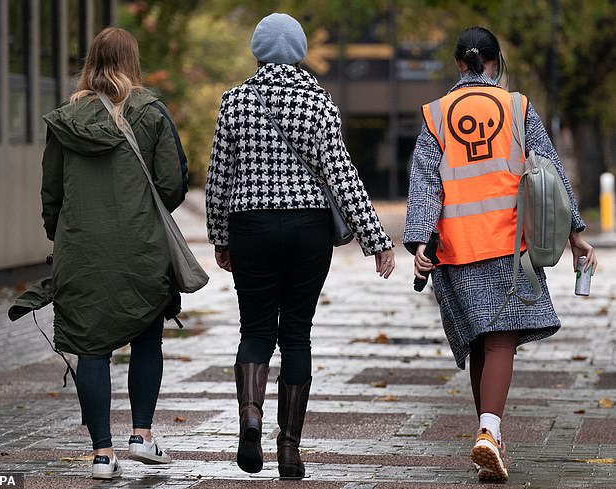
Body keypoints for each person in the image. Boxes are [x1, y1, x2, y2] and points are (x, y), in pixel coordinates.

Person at [206, 12, 396, 479]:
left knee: (254, 331)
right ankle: (289, 448)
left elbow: (217, 177)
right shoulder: (317, 102)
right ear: (300, 51)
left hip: (251, 226)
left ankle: (250, 413)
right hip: (309, 228)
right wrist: (377, 241)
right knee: (296, 333)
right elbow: (341, 176)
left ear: (256, 51)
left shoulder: (235, 102)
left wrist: (220, 236)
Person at [404, 26, 597, 482]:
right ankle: (488, 433)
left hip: (453, 245)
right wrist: (574, 233)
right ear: (495, 61)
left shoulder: (435, 113)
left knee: (478, 342)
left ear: (458, 63)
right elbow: (548, 175)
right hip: (509, 242)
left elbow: (426, 183)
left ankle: (488, 435)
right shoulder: (518, 106)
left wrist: (418, 242)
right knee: (501, 339)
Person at [41, 27, 188, 479]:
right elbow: (171, 185)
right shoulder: (151, 113)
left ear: (90, 61)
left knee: (92, 348)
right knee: (146, 337)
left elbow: (51, 192)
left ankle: (102, 454)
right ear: (132, 61)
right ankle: (142, 434)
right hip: (141, 247)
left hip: (81, 248)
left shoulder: (66, 118)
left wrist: (62, 237)